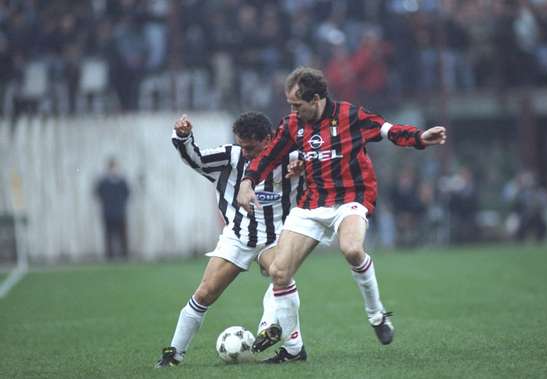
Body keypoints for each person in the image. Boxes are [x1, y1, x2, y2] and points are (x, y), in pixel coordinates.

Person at [237, 67, 447, 360]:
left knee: (351, 249)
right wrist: (247, 182)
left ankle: (376, 316)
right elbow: (268, 156)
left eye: (297, 104)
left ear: (317, 98)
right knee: (279, 272)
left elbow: (387, 130)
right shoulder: (292, 125)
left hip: (351, 197)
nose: (293, 110)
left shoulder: (350, 115)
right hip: (313, 202)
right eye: (290, 105)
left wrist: (420, 137)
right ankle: (293, 349)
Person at [155, 112, 308, 367]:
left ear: (268, 140)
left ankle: (280, 338)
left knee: (280, 276)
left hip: (275, 238)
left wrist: (302, 168)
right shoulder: (230, 156)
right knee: (204, 293)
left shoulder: (291, 160)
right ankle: (174, 353)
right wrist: (183, 137)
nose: (245, 152)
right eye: (242, 145)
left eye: (251, 147)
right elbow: (197, 160)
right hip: (237, 237)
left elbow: (322, 171)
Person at [95, 158, 130, 260]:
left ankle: (124, 255)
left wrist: (121, 204)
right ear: (109, 169)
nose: (114, 170)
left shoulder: (122, 182)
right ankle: (109, 256)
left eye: (115, 168)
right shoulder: (103, 183)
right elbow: (98, 193)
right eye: (112, 168)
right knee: (109, 235)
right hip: (108, 212)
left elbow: (127, 193)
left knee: (122, 235)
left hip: (120, 212)